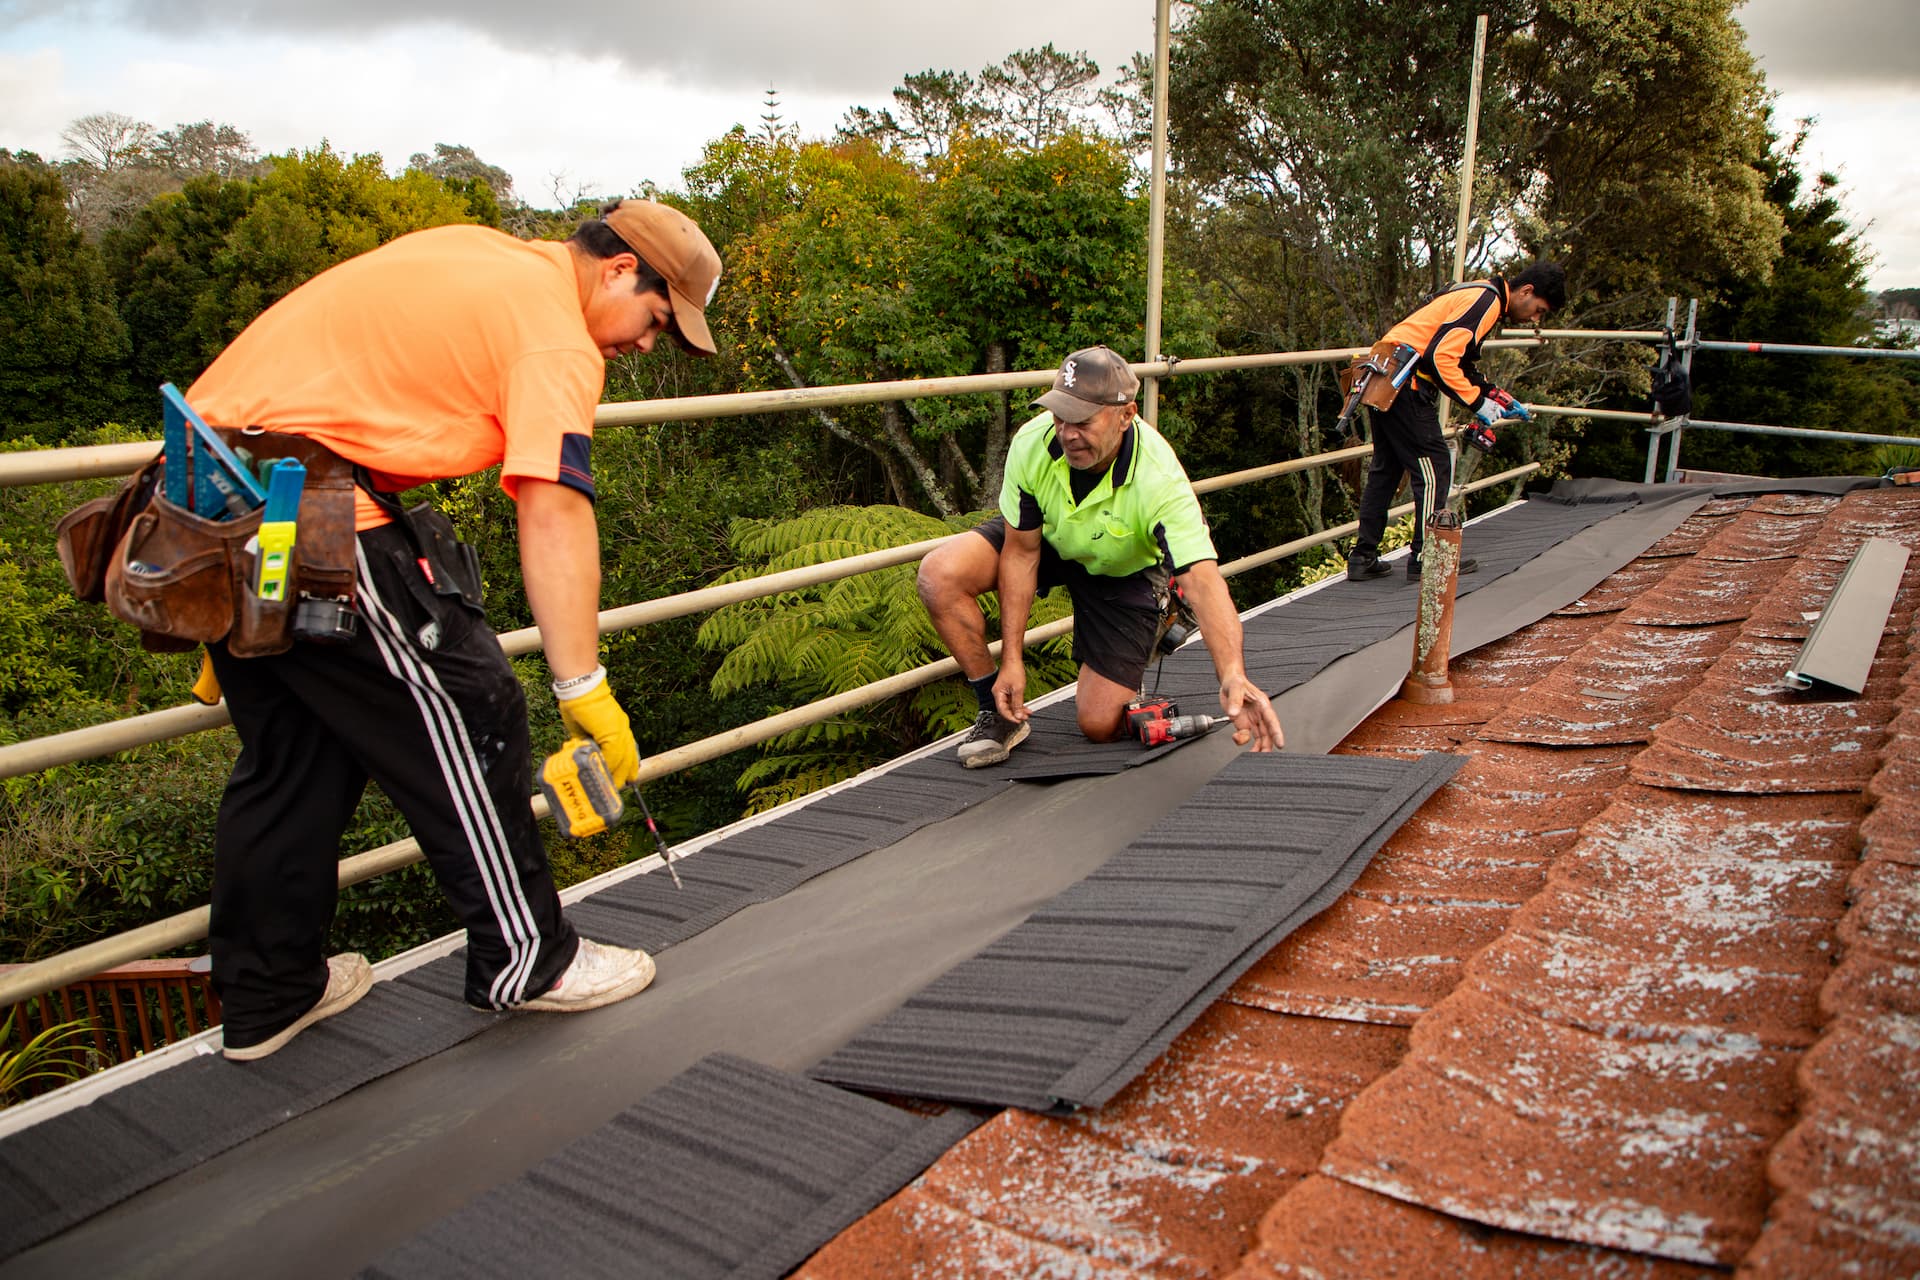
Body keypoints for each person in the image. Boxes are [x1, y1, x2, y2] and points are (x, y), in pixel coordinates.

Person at [185, 199, 722, 1060]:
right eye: (657, 318)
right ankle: (530, 962)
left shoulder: (480, 252)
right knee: (476, 712)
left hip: (208, 507)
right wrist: (582, 687)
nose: (646, 344)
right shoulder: (553, 335)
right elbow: (553, 512)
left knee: (294, 756)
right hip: (316, 517)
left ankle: (270, 993)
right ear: (622, 269)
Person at [918, 345, 1285, 767]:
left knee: (1098, 723)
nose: (1067, 433)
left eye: (1083, 421)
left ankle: (1160, 617)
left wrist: (1232, 674)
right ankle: (996, 712)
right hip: (1051, 539)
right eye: (1060, 417)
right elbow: (1020, 554)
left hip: (1123, 569)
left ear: (1126, 415)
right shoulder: (1032, 443)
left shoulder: (1159, 477)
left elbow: (1202, 580)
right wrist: (1013, 661)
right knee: (939, 574)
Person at [1346, 261, 1565, 581]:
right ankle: (1428, 558)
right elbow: (1441, 357)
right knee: (1435, 465)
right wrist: (1478, 404)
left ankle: (1363, 557)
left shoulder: (1477, 291)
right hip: (1407, 384)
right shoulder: (1487, 302)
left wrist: (1496, 396)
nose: (1534, 319)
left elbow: (1460, 362)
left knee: (1387, 468)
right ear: (1526, 292)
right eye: (1539, 310)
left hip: (1383, 376)